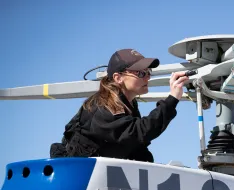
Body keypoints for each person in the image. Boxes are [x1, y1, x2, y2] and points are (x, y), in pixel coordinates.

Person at [50, 48, 189, 162]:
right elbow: (138, 132)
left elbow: (136, 145)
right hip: (82, 180)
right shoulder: (103, 107)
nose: (147, 77)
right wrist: (172, 99)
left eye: (148, 72)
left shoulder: (127, 104)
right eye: (140, 73)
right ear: (118, 78)